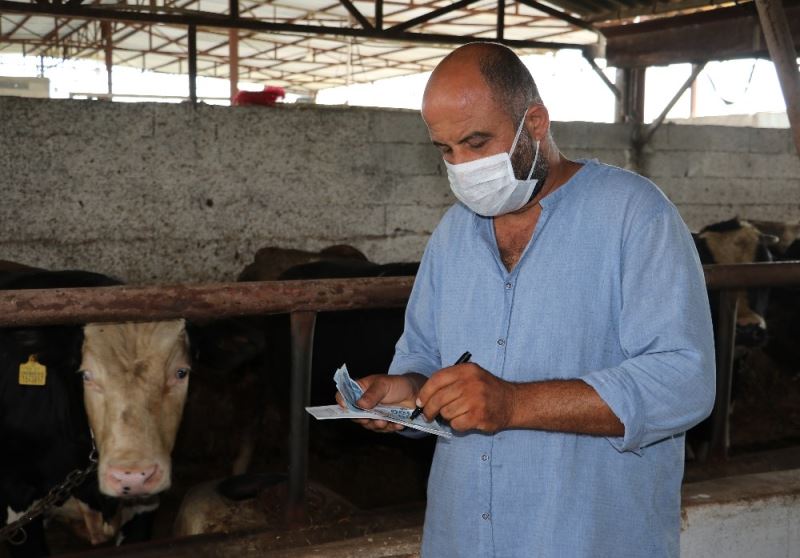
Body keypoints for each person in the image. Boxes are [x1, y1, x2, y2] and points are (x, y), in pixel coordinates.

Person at [346, 42, 716, 557]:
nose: (462, 165)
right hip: (463, 539)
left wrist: (514, 403)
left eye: (476, 142)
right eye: (446, 150)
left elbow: (684, 380)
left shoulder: (633, 214)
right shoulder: (453, 235)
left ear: (535, 123)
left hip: (586, 541)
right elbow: (424, 357)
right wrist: (406, 391)